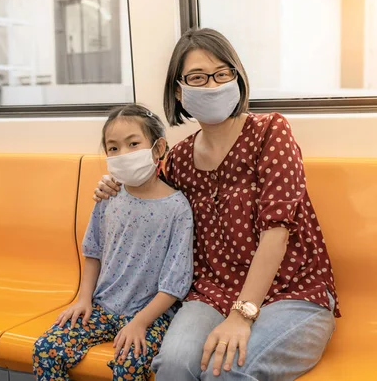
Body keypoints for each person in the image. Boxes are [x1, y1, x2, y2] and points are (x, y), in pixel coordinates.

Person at [93, 28, 340, 381]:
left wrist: (242, 315)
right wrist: (112, 183)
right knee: (174, 366)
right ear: (179, 91)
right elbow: (145, 188)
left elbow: (276, 234)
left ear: (237, 78)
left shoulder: (271, 132)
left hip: (293, 292)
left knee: (225, 373)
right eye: (197, 77)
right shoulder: (177, 160)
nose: (211, 86)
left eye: (222, 74)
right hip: (212, 292)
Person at [33, 104, 194, 381]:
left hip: (151, 315)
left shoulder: (177, 208)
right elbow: (93, 250)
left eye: (133, 144)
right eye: (113, 148)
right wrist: (83, 298)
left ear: (158, 148)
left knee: (129, 364)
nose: (123, 155)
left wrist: (140, 322)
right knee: (45, 349)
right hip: (103, 307)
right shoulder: (109, 196)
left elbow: (175, 283)